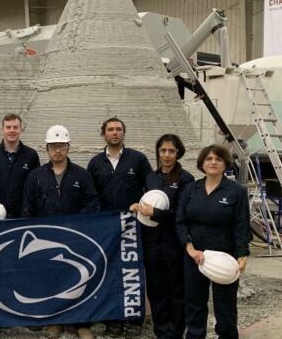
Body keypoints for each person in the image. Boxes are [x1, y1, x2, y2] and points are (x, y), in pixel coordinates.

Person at [22, 125, 99, 339]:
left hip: (75, 237)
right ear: (46, 149)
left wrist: (77, 223)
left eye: (62, 146)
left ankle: (82, 323)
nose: (58, 150)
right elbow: (27, 208)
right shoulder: (35, 176)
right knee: (51, 280)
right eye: (53, 146)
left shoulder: (81, 175)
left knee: (79, 278)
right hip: (46, 240)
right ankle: (55, 321)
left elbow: (93, 203)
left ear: (68, 147)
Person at [175, 144, 250, 339]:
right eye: (209, 159)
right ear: (202, 164)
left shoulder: (236, 191)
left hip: (225, 255)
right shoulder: (191, 189)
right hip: (195, 255)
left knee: (225, 304)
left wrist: (242, 254)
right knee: (194, 301)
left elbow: (241, 225)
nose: (213, 162)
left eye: (218, 159)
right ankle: (195, 335)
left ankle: (226, 335)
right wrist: (190, 248)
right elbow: (180, 221)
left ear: (226, 164)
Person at [86, 117, 152, 338]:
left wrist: (142, 206)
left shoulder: (139, 159)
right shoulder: (95, 163)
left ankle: (133, 320)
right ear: (103, 133)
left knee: (132, 272)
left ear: (124, 133)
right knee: (109, 271)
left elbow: (151, 190)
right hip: (106, 228)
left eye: (118, 129)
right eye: (110, 129)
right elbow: (91, 196)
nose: (115, 133)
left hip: (133, 227)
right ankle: (113, 320)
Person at [130, 134, 194, 339]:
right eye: (163, 150)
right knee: (156, 290)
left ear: (178, 153)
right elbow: (147, 204)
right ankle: (160, 331)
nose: (166, 155)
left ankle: (175, 333)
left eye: (171, 151)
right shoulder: (151, 177)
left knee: (176, 290)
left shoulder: (186, 179)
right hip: (152, 242)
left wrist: (156, 214)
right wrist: (138, 208)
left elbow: (183, 214)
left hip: (174, 243)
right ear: (157, 152)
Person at [0, 114, 40, 219]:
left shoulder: (31, 155)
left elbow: (35, 187)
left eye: (15, 127)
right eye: (8, 127)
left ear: (21, 130)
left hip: (21, 216)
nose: (12, 130)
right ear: (2, 130)